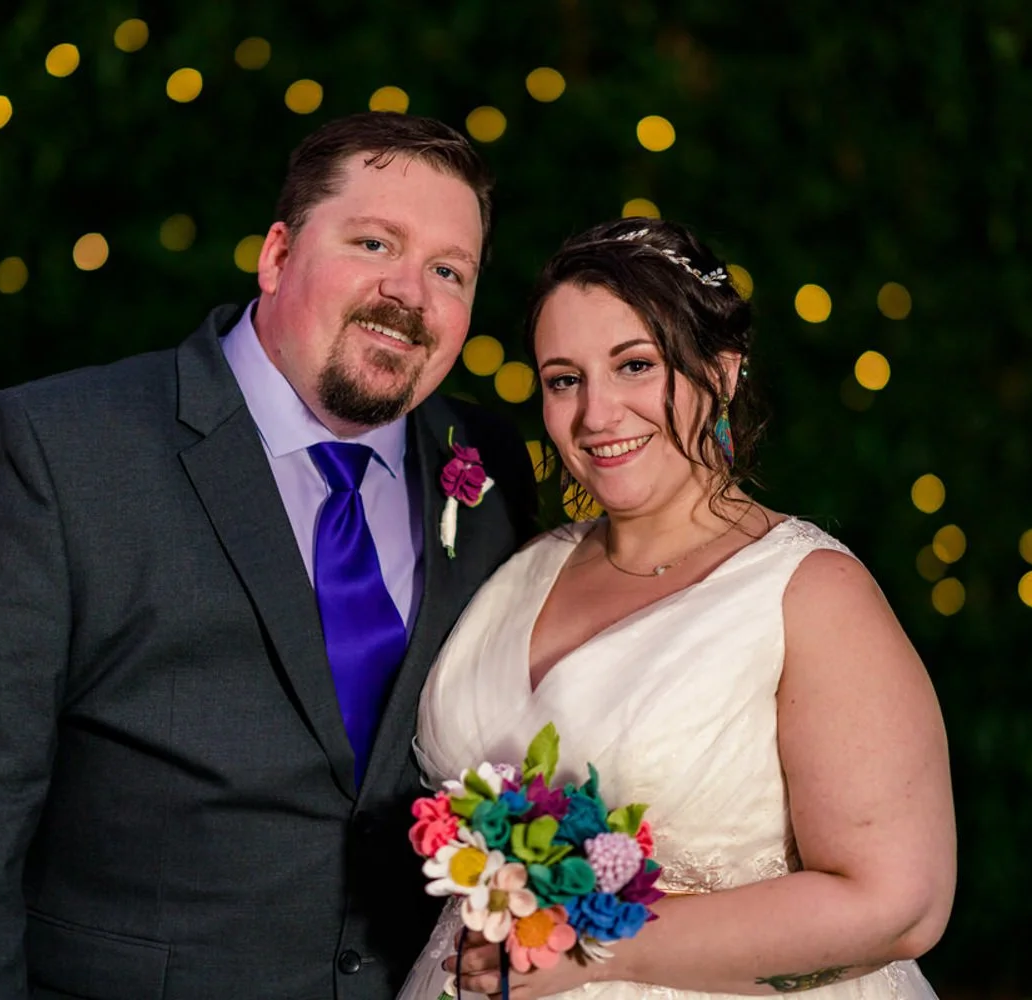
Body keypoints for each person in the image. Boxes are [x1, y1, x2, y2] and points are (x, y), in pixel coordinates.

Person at [0, 111, 537, 1000]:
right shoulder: (65, 449)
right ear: (276, 254)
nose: (409, 293)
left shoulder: (491, 465)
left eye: (448, 271)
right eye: (374, 241)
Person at [399, 218, 956, 999]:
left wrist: (598, 949)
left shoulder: (809, 593)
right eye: (565, 379)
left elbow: (899, 905)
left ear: (723, 373)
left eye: (635, 366)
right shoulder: (522, 568)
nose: (597, 414)